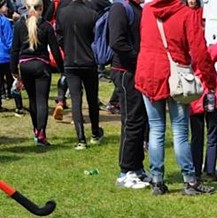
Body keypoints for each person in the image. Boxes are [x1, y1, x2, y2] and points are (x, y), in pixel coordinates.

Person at [135, 0, 217, 196]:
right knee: (180, 131)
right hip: (176, 76)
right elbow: (199, 50)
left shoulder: (147, 10)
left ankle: (157, 180)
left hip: (148, 73)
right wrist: (209, 81)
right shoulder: (186, 14)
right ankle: (189, 181)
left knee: (156, 129)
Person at [188, 2, 217, 183]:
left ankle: (195, 171)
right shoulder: (208, 53)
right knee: (212, 136)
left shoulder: (186, 57)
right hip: (210, 99)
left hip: (193, 100)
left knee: (196, 137)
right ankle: (210, 171)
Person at [109, 0, 150, 189]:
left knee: (140, 120)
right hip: (125, 71)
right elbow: (117, 41)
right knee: (131, 120)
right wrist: (138, 58)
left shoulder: (138, 9)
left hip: (136, 70)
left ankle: (137, 167)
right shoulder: (120, 8)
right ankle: (125, 171)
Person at [10, 0, 63, 146]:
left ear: (26, 8)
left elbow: (14, 49)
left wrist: (13, 70)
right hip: (42, 66)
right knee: (41, 101)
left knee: (32, 100)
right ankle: (41, 133)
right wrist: (61, 68)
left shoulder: (20, 25)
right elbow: (55, 51)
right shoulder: (46, 26)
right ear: (42, 8)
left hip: (25, 66)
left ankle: (35, 129)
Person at [56, 0, 103, 150]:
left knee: (76, 100)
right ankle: (95, 132)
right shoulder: (92, 14)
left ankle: (81, 138)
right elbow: (95, 38)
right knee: (92, 98)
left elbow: (59, 36)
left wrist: (66, 46)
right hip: (88, 60)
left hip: (70, 61)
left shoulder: (62, 13)